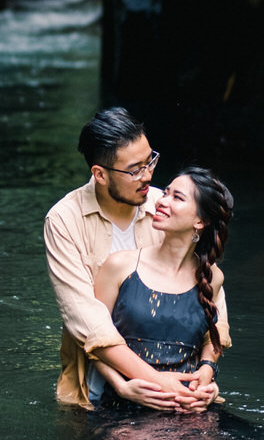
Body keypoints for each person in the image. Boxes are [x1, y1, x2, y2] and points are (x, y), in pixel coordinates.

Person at [43, 107, 230, 410]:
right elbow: (88, 323)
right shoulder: (64, 220)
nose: (148, 175)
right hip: (97, 390)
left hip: (180, 389)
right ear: (100, 174)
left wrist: (207, 372)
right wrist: (143, 381)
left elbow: (212, 301)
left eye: (150, 161)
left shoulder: (163, 205)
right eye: (135, 170)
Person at [92, 165, 233, 410]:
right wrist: (121, 387)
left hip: (190, 407)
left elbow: (213, 335)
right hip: (127, 406)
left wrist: (208, 372)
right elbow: (94, 341)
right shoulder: (119, 266)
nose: (161, 201)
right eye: (165, 193)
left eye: (176, 197)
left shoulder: (212, 277)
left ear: (200, 221)